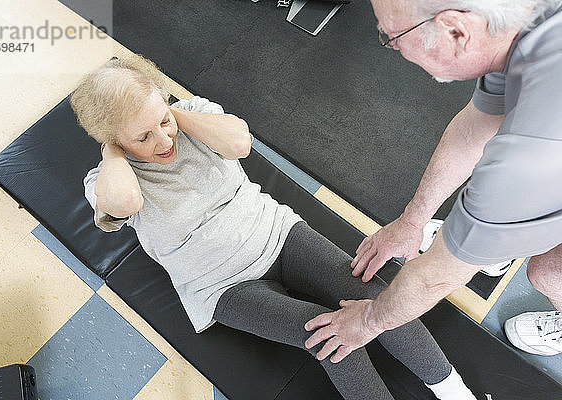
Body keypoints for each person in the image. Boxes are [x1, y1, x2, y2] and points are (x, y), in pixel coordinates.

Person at [70, 54, 476, 400]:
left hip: (279, 235)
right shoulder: (107, 177)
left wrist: (166, 111)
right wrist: (114, 145)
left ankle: (454, 389)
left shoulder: (192, 117)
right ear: (114, 142)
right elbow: (124, 203)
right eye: (143, 136)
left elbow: (240, 144)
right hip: (223, 286)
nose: (163, 140)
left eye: (162, 121)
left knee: (376, 296)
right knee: (327, 338)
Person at [304, 0, 562, 362]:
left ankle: (498, 244)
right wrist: (412, 220)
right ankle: (499, 242)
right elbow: (473, 131)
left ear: (457, 31)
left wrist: (368, 321)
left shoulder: (525, 158)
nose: (391, 45)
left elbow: (437, 277)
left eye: (392, 36)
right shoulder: (525, 25)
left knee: (549, 273)